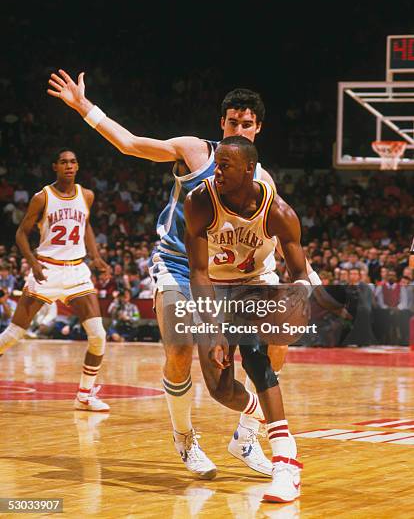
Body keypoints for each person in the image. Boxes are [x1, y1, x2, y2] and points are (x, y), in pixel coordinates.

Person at [47, 70, 320, 478]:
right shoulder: (196, 152)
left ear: (259, 128)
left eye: (247, 124)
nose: (239, 129)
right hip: (179, 263)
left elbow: (278, 236)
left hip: (236, 274)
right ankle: (184, 437)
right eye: (232, 122)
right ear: (221, 124)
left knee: (275, 342)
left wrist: (308, 281)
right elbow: (131, 144)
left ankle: (246, 437)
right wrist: (82, 105)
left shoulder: (262, 181)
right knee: (179, 350)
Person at [184, 136, 309, 503]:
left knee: (256, 358)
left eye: (225, 165)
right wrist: (212, 326)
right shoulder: (200, 202)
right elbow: (198, 271)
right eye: (216, 163)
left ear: (249, 169)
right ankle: (257, 414)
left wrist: (299, 300)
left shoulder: (277, 211)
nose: (215, 171)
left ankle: (286, 464)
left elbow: (299, 271)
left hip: (257, 285)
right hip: (215, 290)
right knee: (220, 388)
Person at [0, 148, 111, 412]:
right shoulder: (42, 197)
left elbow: (86, 226)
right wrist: (34, 263)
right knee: (14, 334)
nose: (69, 166)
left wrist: (95, 257)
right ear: (55, 167)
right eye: (63, 162)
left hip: (76, 271)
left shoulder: (87, 195)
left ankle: (84, 395)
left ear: (77, 166)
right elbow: (20, 234)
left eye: (73, 162)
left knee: (98, 335)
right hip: (47, 270)